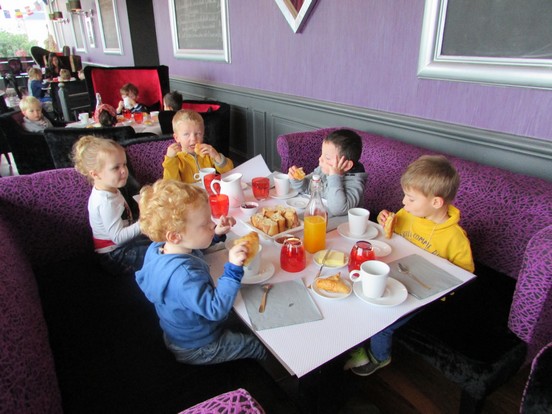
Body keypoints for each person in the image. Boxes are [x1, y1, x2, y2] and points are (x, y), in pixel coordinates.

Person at [344, 154, 474, 376]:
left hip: (424, 289)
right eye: (405, 196)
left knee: (385, 321)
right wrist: (386, 221)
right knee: (356, 294)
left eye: (411, 198)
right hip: (396, 273)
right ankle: (356, 343)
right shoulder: (410, 213)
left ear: (436, 202)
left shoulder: (455, 238)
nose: (404, 203)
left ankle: (379, 356)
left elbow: (463, 275)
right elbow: (392, 236)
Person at [136, 179, 267, 364]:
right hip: (198, 346)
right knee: (257, 344)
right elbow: (216, 310)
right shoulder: (184, 277)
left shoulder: (160, 249)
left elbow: (194, 247)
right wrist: (233, 269)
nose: (212, 224)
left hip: (179, 332)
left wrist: (216, 234)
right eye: (205, 223)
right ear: (175, 235)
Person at [72, 136, 151, 276]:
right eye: (116, 167)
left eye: (124, 164)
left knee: (160, 238)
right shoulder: (105, 201)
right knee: (160, 252)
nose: (124, 171)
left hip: (123, 245)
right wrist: (144, 222)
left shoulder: (110, 189)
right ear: (95, 174)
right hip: (114, 255)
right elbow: (118, 238)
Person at [288, 129, 368, 217]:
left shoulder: (355, 184)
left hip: (339, 227)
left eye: (327, 158)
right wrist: (297, 180)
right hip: (319, 220)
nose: (320, 159)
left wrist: (335, 176)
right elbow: (307, 187)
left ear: (347, 165)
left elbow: (337, 209)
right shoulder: (323, 171)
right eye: (322, 154)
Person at [163, 109, 234, 183]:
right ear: (177, 138)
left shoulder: (207, 153)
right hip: (187, 193)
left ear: (203, 134)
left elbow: (230, 172)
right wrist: (170, 160)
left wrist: (216, 156)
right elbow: (170, 185)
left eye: (198, 134)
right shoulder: (176, 159)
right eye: (186, 134)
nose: (193, 139)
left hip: (211, 191)